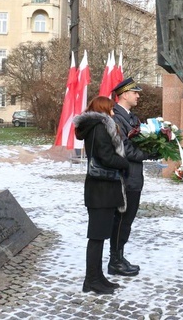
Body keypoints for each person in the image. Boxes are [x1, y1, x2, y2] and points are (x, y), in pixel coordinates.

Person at [74, 96, 130, 295]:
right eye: (112, 109)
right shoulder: (99, 128)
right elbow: (106, 157)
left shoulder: (96, 127)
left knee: (100, 236)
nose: (114, 112)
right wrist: (125, 163)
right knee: (97, 237)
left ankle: (97, 277)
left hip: (102, 189)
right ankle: (91, 280)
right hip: (101, 189)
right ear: (104, 109)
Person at [110, 77, 157, 277]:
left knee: (127, 220)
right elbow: (125, 149)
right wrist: (150, 154)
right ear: (125, 95)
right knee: (121, 219)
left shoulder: (132, 118)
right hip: (124, 178)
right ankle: (115, 261)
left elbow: (139, 143)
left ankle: (120, 256)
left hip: (133, 177)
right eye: (135, 92)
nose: (138, 96)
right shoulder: (116, 118)